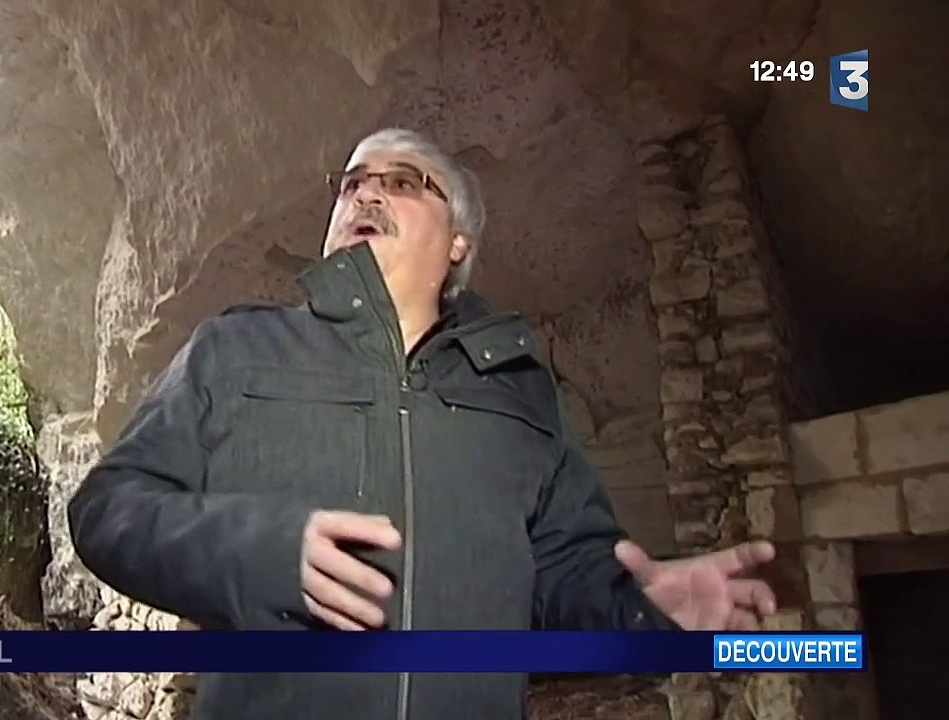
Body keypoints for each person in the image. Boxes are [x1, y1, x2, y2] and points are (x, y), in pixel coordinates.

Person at [67, 127, 779, 719]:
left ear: (459, 241)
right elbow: (107, 511)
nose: (366, 193)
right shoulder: (234, 350)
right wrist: (259, 553)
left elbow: (560, 576)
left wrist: (641, 608)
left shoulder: (520, 393)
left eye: (403, 181)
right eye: (351, 183)